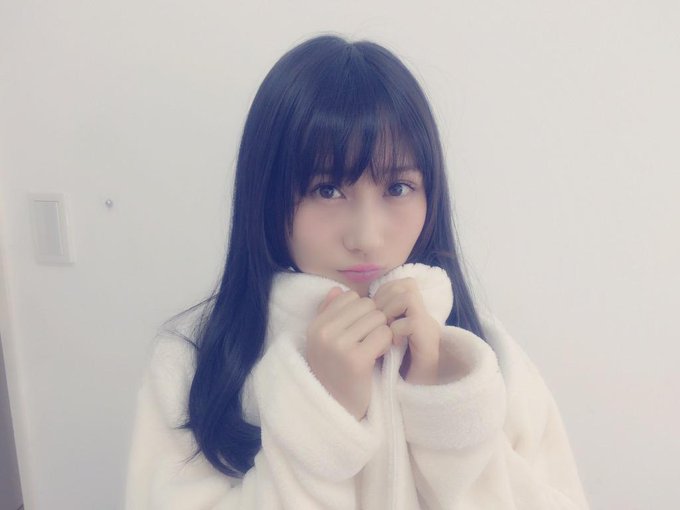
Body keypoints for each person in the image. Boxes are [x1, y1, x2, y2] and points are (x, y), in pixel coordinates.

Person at [125, 35, 590, 509]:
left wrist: (444, 410)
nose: (366, 237)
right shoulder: (195, 361)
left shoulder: (481, 357)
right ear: (266, 195)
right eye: (327, 190)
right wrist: (321, 419)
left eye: (398, 187)